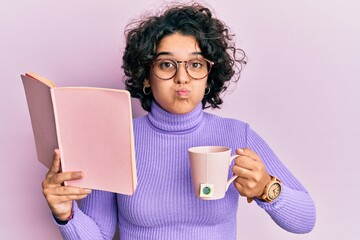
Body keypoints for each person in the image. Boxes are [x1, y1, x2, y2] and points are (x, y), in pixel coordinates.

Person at [42, 3, 316, 239]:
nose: (182, 78)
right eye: (166, 64)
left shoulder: (236, 135)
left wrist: (267, 188)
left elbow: (305, 220)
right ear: (146, 76)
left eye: (195, 65)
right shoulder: (116, 140)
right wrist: (65, 214)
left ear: (209, 75)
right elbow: (98, 235)